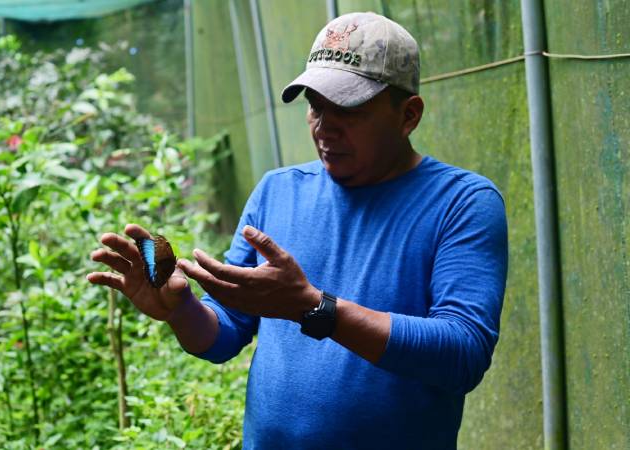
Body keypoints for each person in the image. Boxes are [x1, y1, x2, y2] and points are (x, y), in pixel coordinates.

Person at [87, 11, 508, 450]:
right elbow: (225, 331)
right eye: (315, 106)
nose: (325, 127)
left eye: (348, 108)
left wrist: (316, 308)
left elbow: (463, 352)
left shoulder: (461, 203)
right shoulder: (278, 191)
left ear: (408, 115)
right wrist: (180, 310)